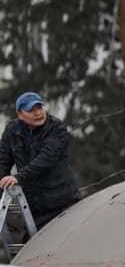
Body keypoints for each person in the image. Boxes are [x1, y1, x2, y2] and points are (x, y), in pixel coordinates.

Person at [0, 92, 80, 228]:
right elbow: (2, 161)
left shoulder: (56, 128)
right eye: (31, 110)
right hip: (35, 209)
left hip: (63, 204)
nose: (38, 113)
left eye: (39, 108)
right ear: (20, 114)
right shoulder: (12, 131)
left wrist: (18, 177)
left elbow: (45, 159)